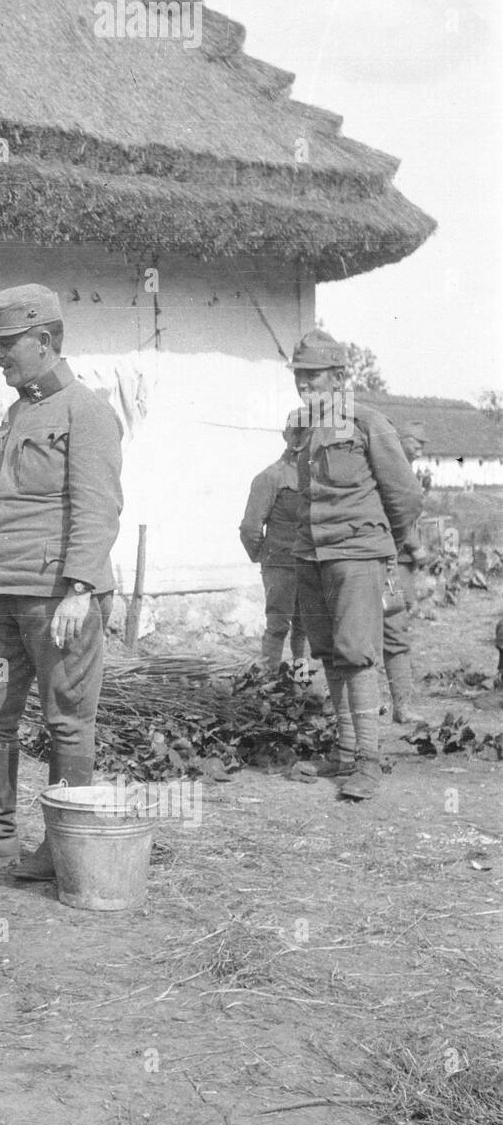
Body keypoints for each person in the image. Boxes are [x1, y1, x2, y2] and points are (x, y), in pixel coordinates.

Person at [0, 284, 123, 878]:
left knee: (66, 718)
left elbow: (98, 506)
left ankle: (64, 847)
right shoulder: (17, 413)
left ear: (45, 340)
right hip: (4, 594)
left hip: (57, 597)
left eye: (9, 344)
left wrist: (81, 589)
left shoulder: (86, 410)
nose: (0, 356)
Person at [284, 329, 422, 800]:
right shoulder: (301, 427)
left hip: (356, 556)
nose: (304, 385)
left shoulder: (367, 423)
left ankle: (369, 761)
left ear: (340, 377)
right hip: (311, 554)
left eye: (314, 375)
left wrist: (384, 546)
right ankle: (343, 754)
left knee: (358, 654)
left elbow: (404, 496)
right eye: (299, 375)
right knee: (330, 654)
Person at [239, 447, 309, 675]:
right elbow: (250, 528)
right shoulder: (271, 477)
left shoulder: (318, 475)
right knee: (278, 626)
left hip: (310, 565)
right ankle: (269, 684)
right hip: (281, 565)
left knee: (304, 629)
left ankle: (302, 683)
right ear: (289, 438)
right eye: (299, 434)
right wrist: (265, 557)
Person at [381, 420, 431, 723]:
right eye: (418, 442)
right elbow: (397, 514)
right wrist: (415, 545)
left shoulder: (404, 470)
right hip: (387, 562)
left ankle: (401, 705)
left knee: (396, 630)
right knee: (387, 632)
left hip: (397, 564)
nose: (420, 449)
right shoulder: (391, 470)